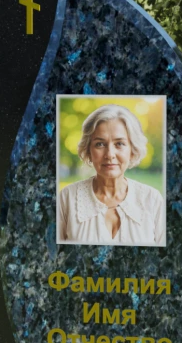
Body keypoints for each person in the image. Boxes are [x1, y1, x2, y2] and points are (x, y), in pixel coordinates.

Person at [58, 104, 164, 245]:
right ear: (88, 150)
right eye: (100, 144)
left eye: (119, 144)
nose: (109, 154)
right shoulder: (67, 198)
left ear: (132, 150)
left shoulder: (152, 200)